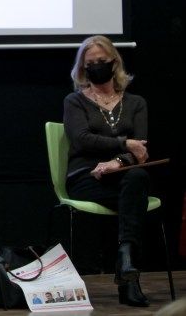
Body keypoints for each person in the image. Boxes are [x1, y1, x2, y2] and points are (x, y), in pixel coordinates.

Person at [63, 35, 151, 308]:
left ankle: (125, 259)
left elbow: (142, 148)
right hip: (86, 176)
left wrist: (119, 163)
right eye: (91, 63)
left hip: (124, 175)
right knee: (135, 192)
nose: (97, 66)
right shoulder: (75, 101)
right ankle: (128, 272)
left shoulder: (136, 102)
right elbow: (82, 139)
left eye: (102, 61)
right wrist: (124, 144)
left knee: (137, 176)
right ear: (82, 68)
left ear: (115, 62)